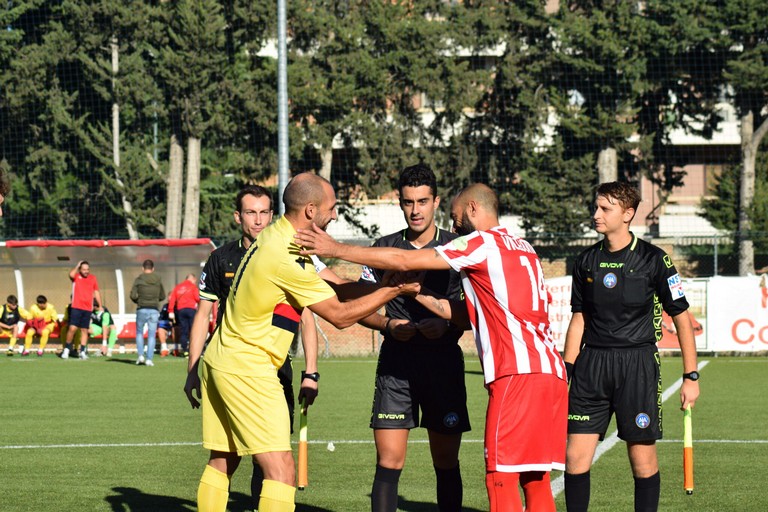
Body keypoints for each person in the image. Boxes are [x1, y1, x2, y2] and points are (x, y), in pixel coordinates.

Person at [295, 183, 567, 512]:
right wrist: (419, 294)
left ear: (472, 210)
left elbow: (401, 259)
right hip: (550, 372)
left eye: (455, 218)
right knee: (535, 479)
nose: (453, 228)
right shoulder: (523, 248)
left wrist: (335, 247)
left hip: (516, 375)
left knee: (501, 477)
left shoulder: (480, 243)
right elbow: (473, 313)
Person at [184, 173, 420, 512]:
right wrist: (394, 290)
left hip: (222, 362)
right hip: (248, 370)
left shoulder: (279, 238)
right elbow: (339, 316)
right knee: (281, 471)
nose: (335, 215)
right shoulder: (286, 255)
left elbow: (338, 287)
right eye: (332, 208)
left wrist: (384, 284)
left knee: (223, 460)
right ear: (311, 210)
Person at [186, 184, 330, 511]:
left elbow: (307, 317)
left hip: (273, 364)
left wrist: (311, 372)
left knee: (256, 458)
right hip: (245, 366)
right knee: (267, 462)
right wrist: (191, 369)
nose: (259, 220)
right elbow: (203, 314)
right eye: (251, 212)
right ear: (238, 216)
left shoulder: (291, 249)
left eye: (265, 212)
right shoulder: (222, 257)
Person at [562, 181, 700, 512]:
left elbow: (681, 318)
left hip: (636, 365)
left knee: (642, 461)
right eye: (595, 207)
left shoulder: (655, 260)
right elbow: (579, 319)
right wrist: (565, 370)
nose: (596, 214)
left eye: (604, 209)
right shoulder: (585, 261)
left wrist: (691, 376)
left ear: (627, 214)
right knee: (574, 457)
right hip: (591, 365)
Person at [358, 164, 469, 512]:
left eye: (423, 201)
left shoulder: (460, 249)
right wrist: (387, 326)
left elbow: (477, 311)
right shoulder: (383, 249)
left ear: (436, 201)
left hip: (443, 364)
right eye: (408, 202)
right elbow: (359, 307)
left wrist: (450, 327)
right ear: (400, 204)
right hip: (397, 364)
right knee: (388, 463)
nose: (416, 209)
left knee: (446, 462)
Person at [63, 260, 103, 360]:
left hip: (87, 308)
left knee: (84, 330)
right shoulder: (76, 277)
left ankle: (82, 352)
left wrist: (100, 305)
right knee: (72, 328)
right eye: (84, 269)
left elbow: (96, 291)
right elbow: (71, 274)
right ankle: (67, 350)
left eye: (87, 269)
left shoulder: (93, 278)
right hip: (76, 307)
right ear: (80, 269)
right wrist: (77, 265)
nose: (86, 271)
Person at [130, 259, 166, 367]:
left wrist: (139, 301)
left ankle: (140, 355)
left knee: (139, 332)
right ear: (153, 268)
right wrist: (155, 301)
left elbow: (133, 295)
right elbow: (162, 296)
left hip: (141, 308)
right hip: (154, 309)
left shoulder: (138, 279)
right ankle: (149, 359)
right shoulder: (158, 279)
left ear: (143, 268)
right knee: (151, 335)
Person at [168, 273, 200, 357]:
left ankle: (185, 350)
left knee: (184, 330)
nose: (195, 282)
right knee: (193, 330)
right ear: (192, 279)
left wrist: (170, 311)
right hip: (191, 310)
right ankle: (193, 350)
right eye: (195, 281)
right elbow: (197, 298)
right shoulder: (193, 287)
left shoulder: (178, 287)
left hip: (181, 311)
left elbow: (172, 299)